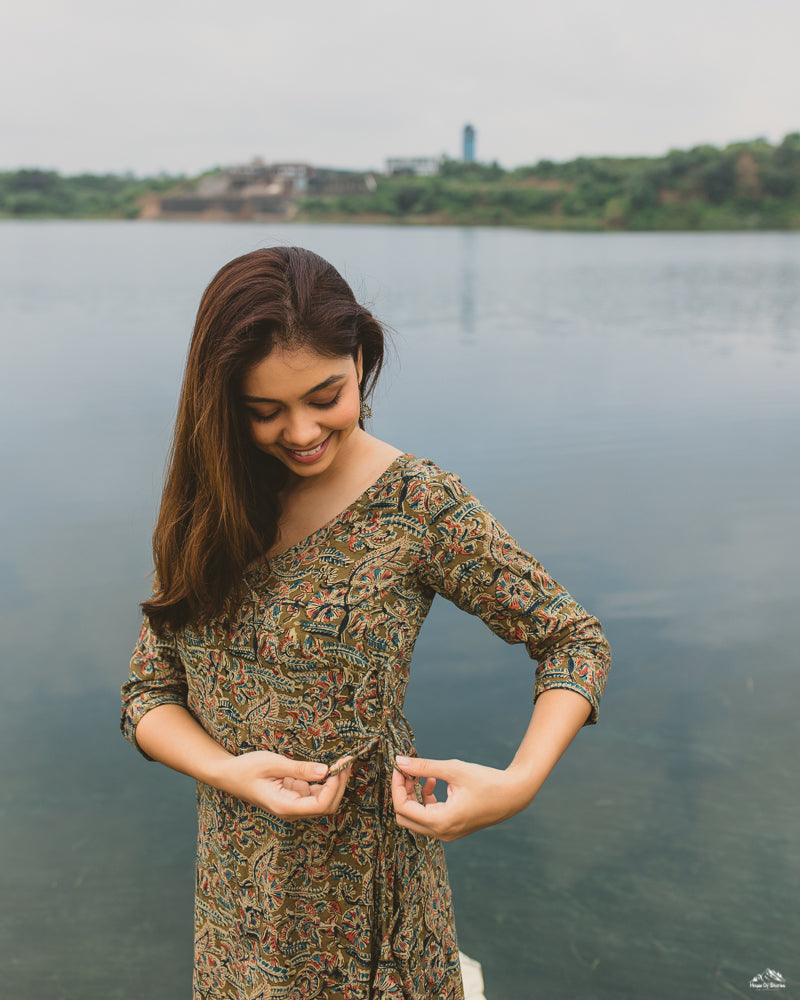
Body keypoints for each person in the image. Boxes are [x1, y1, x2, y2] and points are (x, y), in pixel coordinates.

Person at [121, 246, 610, 1000]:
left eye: (327, 396)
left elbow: (572, 639)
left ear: (362, 359)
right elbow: (148, 692)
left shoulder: (416, 505)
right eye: (264, 411)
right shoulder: (210, 500)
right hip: (236, 886)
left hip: (368, 884)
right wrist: (227, 772)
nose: (302, 431)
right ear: (222, 403)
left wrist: (519, 783)